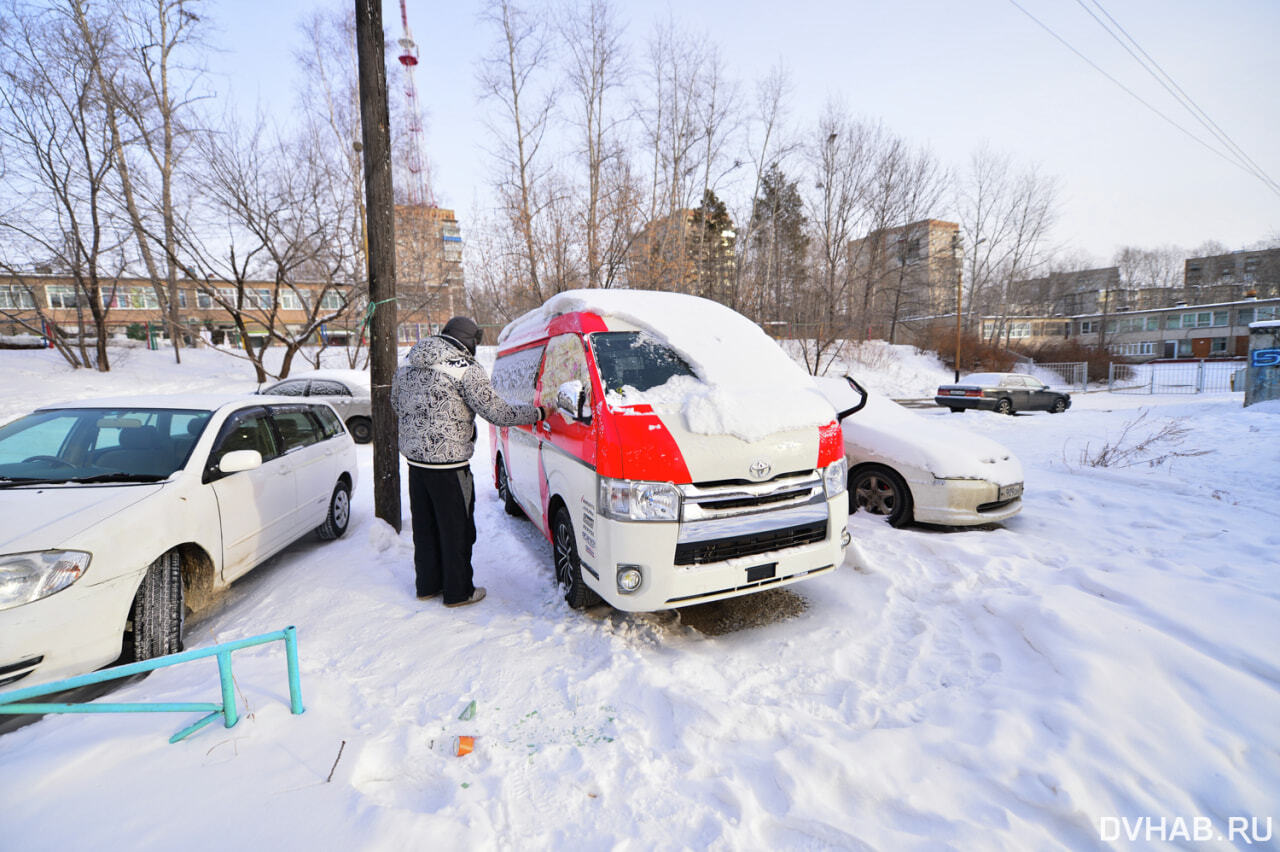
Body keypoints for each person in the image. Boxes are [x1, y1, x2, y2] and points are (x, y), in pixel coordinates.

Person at [391, 316, 548, 607]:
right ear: (469, 341)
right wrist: (538, 414)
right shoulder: (464, 369)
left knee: (425, 528)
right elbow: (499, 413)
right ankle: (458, 592)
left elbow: (396, 404)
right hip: (450, 468)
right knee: (457, 530)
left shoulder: (408, 361)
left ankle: (427, 585)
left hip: (415, 464)